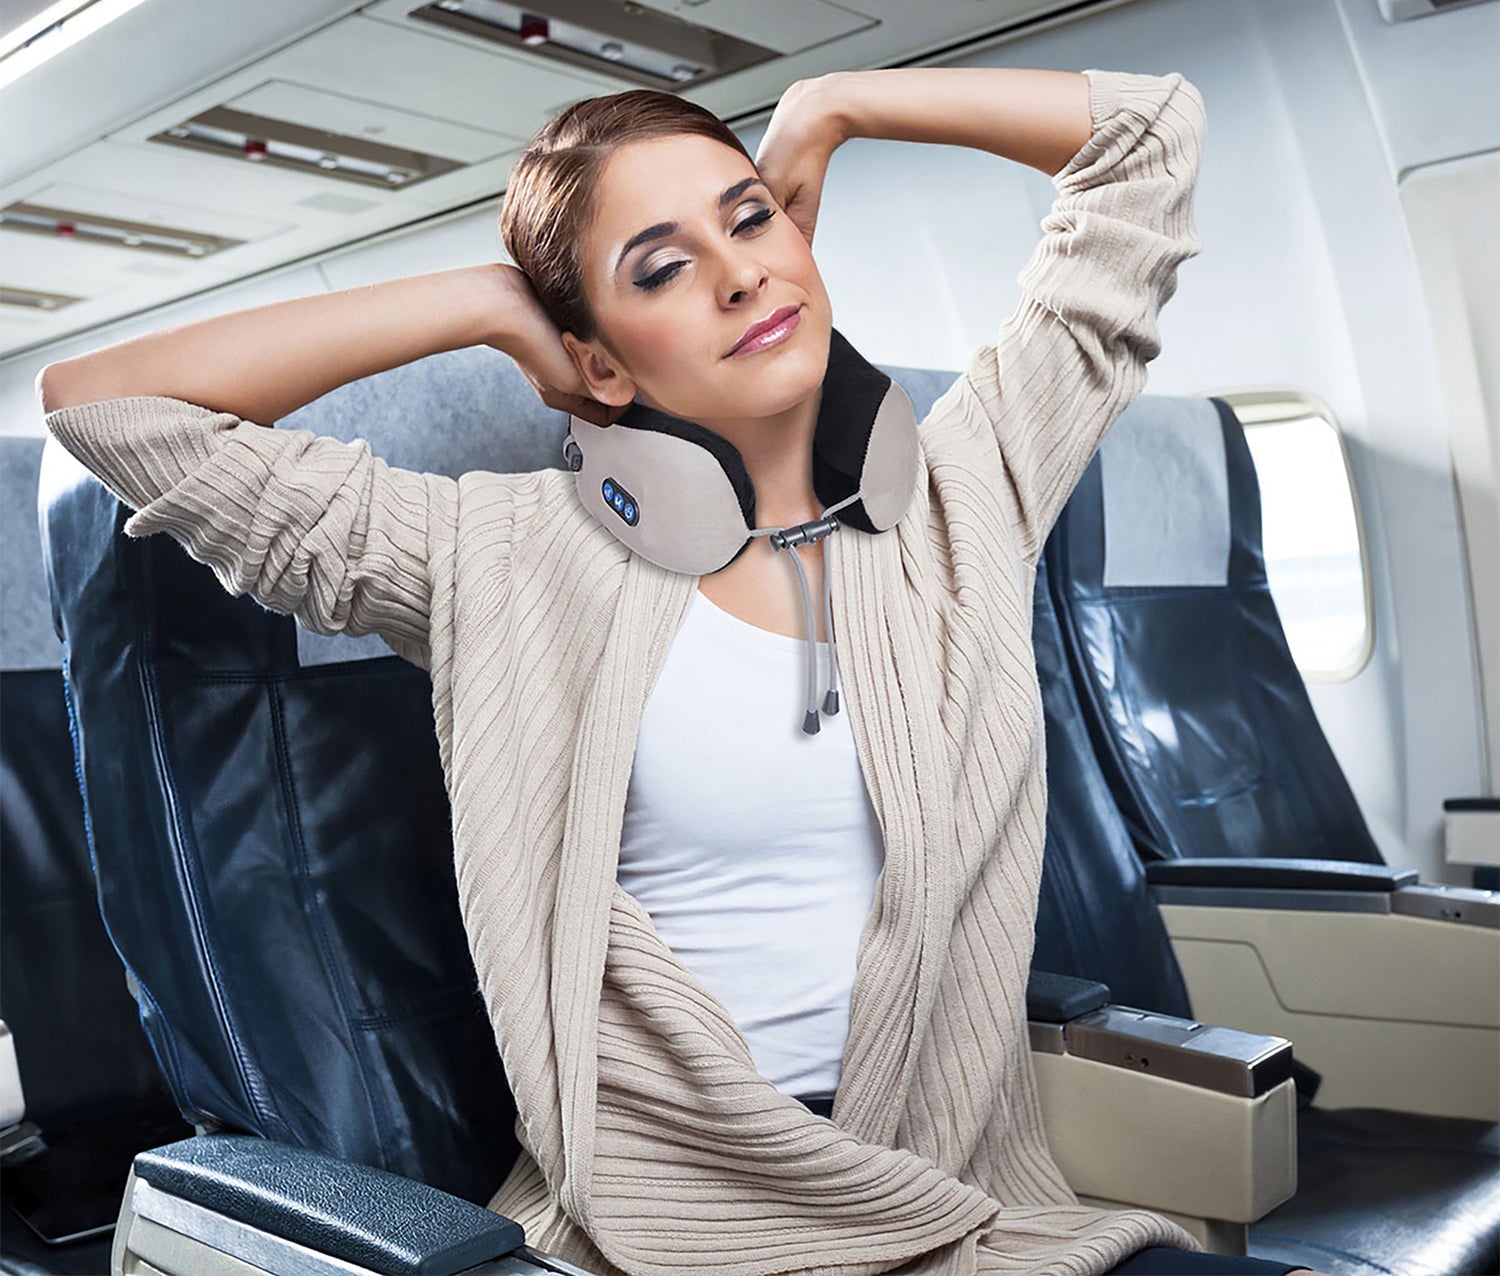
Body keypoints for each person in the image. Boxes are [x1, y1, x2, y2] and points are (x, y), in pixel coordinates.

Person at [35, 64, 1330, 1276]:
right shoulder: (502, 560)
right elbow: (106, 408)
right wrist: (485, 305)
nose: (738, 275)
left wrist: (832, 107)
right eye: (660, 268)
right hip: (673, 1229)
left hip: (956, 1212)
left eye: (751, 219)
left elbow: (1147, 139)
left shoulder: (964, 495)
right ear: (597, 359)